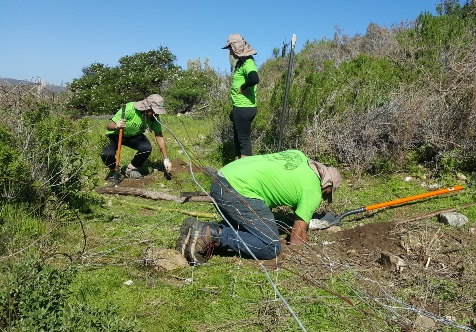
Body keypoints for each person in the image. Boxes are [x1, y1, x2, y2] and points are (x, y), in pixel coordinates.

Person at [176, 150, 342, 265]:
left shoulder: (298, 156)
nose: (325, 197)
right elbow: (296, 240)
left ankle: (196, 233)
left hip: (222, 179)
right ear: (326, 184)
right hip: (237, 191)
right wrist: (305, 247)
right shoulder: (313, 191)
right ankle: (213, 234)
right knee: (271, 246)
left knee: (258, 225)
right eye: (328, 193)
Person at [101, 94, 172, 181]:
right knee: (106, 154)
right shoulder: (130, 108)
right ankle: (114, 170)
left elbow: (159, 136)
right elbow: (109, 126)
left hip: (133, 136)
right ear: (147, 107)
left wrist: (166, 158)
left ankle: (131, 169)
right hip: (115, 134)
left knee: (146, 148)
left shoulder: (153, 117)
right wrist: (116, 126)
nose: (156, 113)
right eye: (154, 111)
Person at [222, 33, 260, 159]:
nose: (230, 52)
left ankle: (245, 171)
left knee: (244, 140)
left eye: (230, 49)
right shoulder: (241, 63)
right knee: (238, 140)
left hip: (244, 107)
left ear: (235, 48)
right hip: (240, 107)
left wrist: (242, 87)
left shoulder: (248, 62)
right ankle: (237, 168)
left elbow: (254, 79)